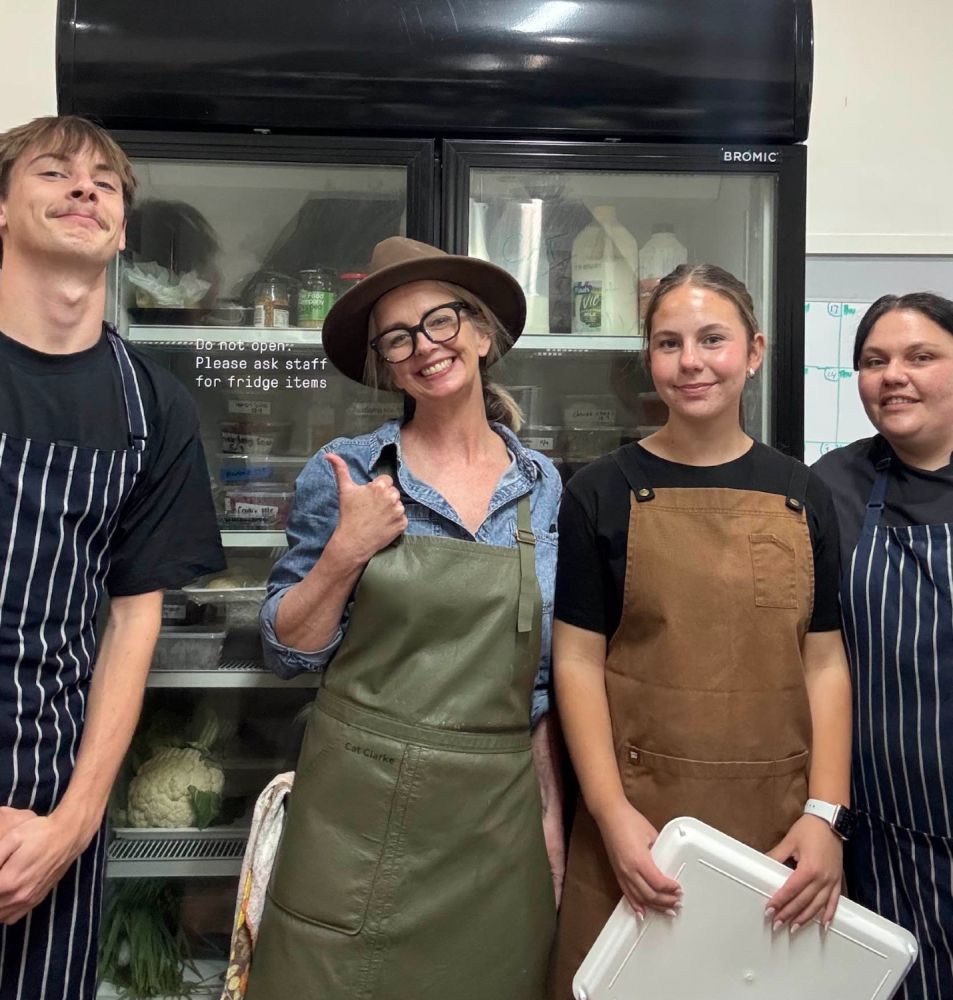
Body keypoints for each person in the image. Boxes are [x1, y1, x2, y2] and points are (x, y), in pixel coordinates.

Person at [248, 237, 564, 1000]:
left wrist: (551, 823)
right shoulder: (349, 470)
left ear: (482, 335)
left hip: (493, 826)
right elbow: (285, 650)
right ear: (387, 367)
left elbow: (541, 684)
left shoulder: (541, 484)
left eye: (441, 321)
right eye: (398, 337)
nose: (424, 346)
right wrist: (345, 552)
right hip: (356, 817)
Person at [550, 263, 853, 995]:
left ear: (754, 351)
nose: (690, 362)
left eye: (712, 339)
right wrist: (610, 814)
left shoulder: (802, 494)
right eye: (668, 343)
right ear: (648, 359)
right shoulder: (600, 491)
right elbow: (576, 662)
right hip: (637, 827)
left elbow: (824, 664)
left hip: (775, 834)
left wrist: (824, 817)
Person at [0, 116, 224, 999]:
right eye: (54, 171)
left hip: (53, 785)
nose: (84, 188)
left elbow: (134, 623)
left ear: (122, 229)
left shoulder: (153, 407)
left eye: (104, 181)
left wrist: (73, 822)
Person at [813, 293, 953, 1000]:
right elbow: (811, 658)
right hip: (886, 838)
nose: (893, 375)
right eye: (873, 361)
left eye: (920, 356)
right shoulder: (831, 486)